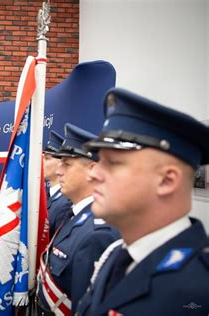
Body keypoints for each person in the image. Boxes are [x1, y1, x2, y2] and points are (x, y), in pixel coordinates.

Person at [76, 88, 209, 315]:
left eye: (114, 163)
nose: (93, 174)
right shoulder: (117, 255)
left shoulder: (200, 289)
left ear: (167, 180)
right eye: (99, 161)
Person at [36, 124, 120, 315]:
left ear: (92, 169)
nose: (59, 171)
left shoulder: (98, 234)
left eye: (66, 164)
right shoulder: (75, 215)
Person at [43, 130, 72, 238]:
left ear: (61, 163)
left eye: (47, 158)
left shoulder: (65, 203)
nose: (42, 162)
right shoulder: (47, 195)